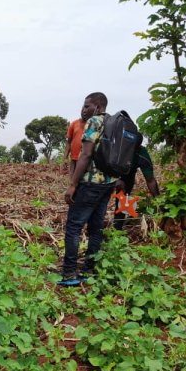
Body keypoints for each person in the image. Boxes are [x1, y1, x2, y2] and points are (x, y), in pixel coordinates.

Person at [60, 92, 115, 286]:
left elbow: (85, 155)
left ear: (98, 107)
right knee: (96, 227)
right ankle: (89, 270)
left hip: (91, 182)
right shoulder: (113, 123)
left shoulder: (94, 122)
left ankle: (69, 274)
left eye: (87, 106)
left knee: (74, 227)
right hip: (108, 183)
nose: (83, 110)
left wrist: (73, 184)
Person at [114, 144, 160, 230]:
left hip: (128, 174)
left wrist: (158, 202)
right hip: (106, 170)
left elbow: (150, 179)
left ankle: (117, 230)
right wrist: (115, 179)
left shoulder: (141, 153)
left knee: (121, 202)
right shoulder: (115, 146)